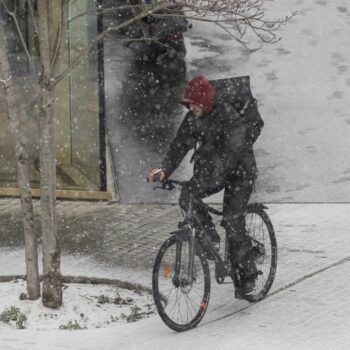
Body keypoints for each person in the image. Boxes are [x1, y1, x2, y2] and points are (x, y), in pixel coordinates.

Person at [148, 75, 260, 297]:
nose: (191, 108)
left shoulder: (228, 114)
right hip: (213, 172)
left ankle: (247, 276)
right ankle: (211, 239)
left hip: (240, 172)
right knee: (187, 196)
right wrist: (164, 170)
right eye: (188, 104)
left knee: (232, 221)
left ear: (206, 102)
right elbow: (179, 145)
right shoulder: (192, 118)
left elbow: (235, 148)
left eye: (194, 104)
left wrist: (220, 171)